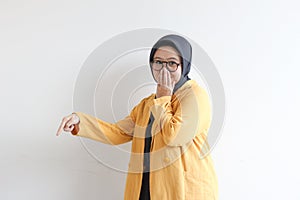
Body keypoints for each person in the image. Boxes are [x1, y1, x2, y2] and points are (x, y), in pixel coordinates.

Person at [56, 34, 219, 200]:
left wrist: (163, 96)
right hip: (146, 189)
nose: (164, 69)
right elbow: (117, 132)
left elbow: (174, 136)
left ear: (184, 65)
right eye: (158, 62)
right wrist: (79, 121)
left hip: (184, 191)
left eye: (171, 63)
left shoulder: (195, 96)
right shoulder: (148, 104)